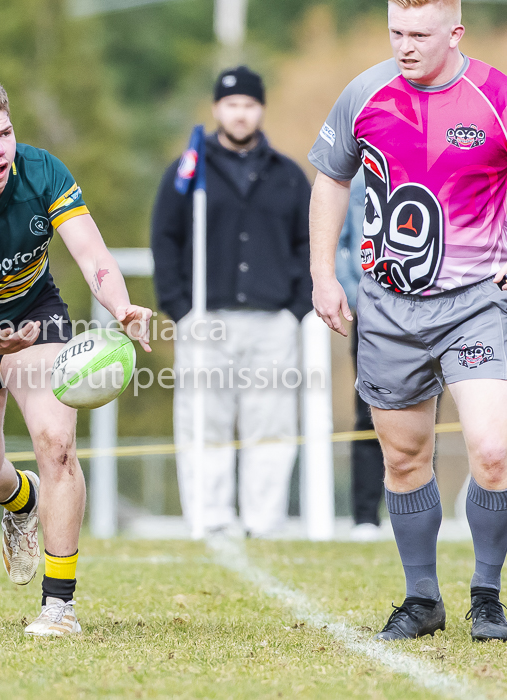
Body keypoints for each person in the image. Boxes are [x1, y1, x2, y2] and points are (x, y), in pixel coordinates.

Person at [0, 79, 152, 636]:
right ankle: (23, 500)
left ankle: (59, 606)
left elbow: (92, 254)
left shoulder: (41, 171)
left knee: (57, 445)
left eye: (5, 133)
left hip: (35, 315)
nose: (0, 149)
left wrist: (120, 306)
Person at [310, 0, 507, 642]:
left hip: (477, 303)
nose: (405, 45)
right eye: (396, 31)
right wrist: (323, 275)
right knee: (404, 457)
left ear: (456, 32)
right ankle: (422, 599)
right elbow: (331, 180)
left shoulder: (495, 95)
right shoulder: (364, 94)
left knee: (493, 450)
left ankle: (486, 595)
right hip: (388, 309)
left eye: (419, 34)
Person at [151, 66, 312, 538]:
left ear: (260, 109)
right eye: (231, 104)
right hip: (206, 318)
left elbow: (308, 242)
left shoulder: (288, 176)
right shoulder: (188, 170)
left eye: (248, 104)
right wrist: (181, 309)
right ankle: (211, 520)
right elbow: (165, 239)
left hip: (272, 321)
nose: (240, 113)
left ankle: (265, 523)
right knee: (206, 423)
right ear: (217, 109)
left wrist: (296, 309)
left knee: (272, 425)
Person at [335, 171, 388, 541]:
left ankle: (419, 511)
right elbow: (341, 243)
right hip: (370, 312)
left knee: (426, 414)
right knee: (368, 410)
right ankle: (366, 516)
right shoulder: (357, 185)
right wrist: (357, 298)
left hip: (432, 311)